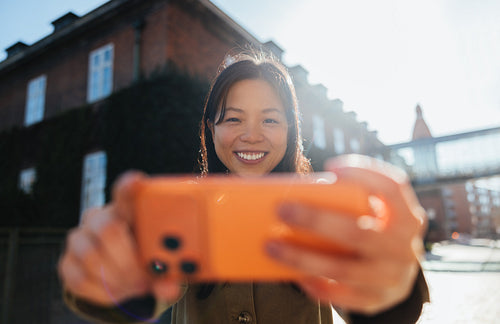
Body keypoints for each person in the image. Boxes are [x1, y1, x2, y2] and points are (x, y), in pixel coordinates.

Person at [59, 51, 429, 323]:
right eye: (233, 119)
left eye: (270, 119)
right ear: (211, 129)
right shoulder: (183, 213)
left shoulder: (320, 214)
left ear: (290, 132)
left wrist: (394, 288)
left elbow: (368, 300)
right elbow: (137, 290)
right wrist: (105, 279)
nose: (251, 135)